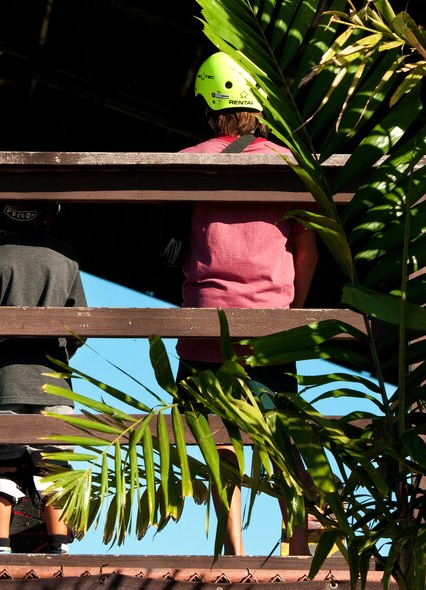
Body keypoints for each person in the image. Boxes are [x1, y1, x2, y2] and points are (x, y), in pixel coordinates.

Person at [174, 52, 319, 556]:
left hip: (204, 329)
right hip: (271, 330)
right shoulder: (287, 163)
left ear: (210, 106)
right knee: (283, 439)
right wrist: (292, 311)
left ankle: (231, 547)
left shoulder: (189, 160)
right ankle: (298, 543)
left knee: (218, 441)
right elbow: (308, 247)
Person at [0, 202, 87, 555]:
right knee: (55, 466)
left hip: (1, 382)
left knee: (1, 463)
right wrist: (59, 353)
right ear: (47, 215)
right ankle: (58, 547)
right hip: (54, 382)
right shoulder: (65, 257)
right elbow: (80, 324)